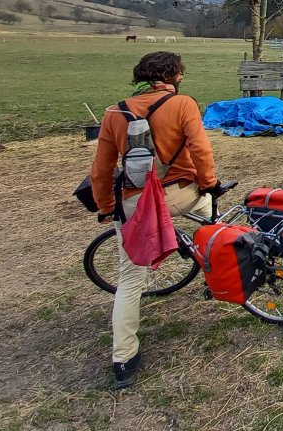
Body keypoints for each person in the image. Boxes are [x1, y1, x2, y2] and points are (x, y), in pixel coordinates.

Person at [89, 51, 223, 390]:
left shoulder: (114, 112)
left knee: (130, 280)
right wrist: (208, 184)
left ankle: (123, 359)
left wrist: (107, 206)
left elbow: (102, 169)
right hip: (178, 194)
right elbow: (200, 149)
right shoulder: (182, 104)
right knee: (212, 219)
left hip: (135, 203)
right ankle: (216, 272)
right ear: (173, 75)